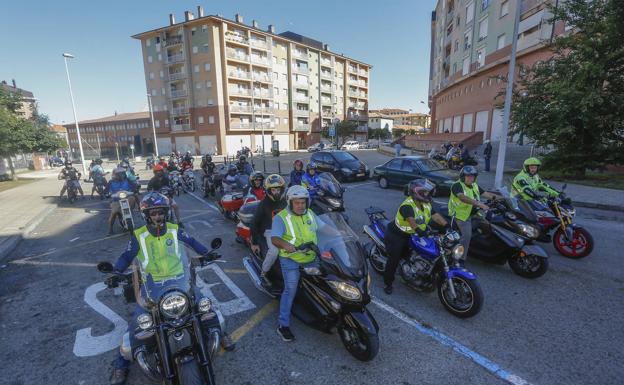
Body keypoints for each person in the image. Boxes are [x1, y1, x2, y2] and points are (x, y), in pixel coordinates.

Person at [107, 193, 234, 385]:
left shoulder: (175, 230)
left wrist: (207, 253)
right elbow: (127, 256)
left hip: (180, 281)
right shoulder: (139, 235)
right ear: (147, 216)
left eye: (161, 212)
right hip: (152, 287)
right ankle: (120, 365)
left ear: (166, 214)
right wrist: (116, 271)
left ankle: (220, 333)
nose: (158, 217)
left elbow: (192, 243)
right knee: (136, 324)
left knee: (206, 308)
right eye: (154, 213)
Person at [271, 185, 327, 342]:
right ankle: (283, 325)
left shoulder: (310, 213)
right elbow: (274, 238)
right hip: (291, 259)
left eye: (303, 202)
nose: (300, 205)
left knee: (327, 279)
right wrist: (285, 245)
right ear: (290, 202)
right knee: (290, 289)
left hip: (311, 256)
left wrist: (340, 234)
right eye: (297, 203)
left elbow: (324, 228)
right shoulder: (281, 218)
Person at [383, 179, 451, 294]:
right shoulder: (407, 206)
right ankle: (388, 283)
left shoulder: (426, 204)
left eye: (428, 192)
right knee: (394, 258)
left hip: (413, 235)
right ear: (416, 193)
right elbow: (412, 223)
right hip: (398, 235)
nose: (428, 194)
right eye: (425, 192)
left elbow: (435, 216)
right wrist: (422, 232)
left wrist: (447, 225)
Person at [448, 166, 498, 262]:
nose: (471, 178)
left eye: (473, 176)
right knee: (467, 235)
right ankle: (459, 258)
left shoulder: (474, 185)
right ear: (463, 177)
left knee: (489, 226)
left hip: (474, 214)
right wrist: (479, 204)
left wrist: (503, 198)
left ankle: (483, 250)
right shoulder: (457, 185)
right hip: (460, 215)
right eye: (468, 176)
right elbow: (462, 197)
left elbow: (487, 194)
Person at [250, 174, 287, 288]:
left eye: (278, 189)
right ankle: (264, 272)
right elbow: (254, 223)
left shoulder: (286, 201)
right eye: (273, 189)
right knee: (274, 251)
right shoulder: (263, 203)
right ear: (268, 190)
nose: (276, 192)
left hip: (286, 230)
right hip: (269, 231)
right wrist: (255, 243)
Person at [105, 167, 139, 235]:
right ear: (115, 175)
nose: (122, 175)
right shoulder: (110, 182)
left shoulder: (128, 180)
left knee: (134, 197)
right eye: (119, 174)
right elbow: (106, 190)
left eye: (123, 174)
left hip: (127, 198)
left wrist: (135, 189)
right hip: (116, 200)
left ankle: (140, 207)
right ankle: (110, 229)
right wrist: (107, 194)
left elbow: (134, 186)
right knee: (114, 212)